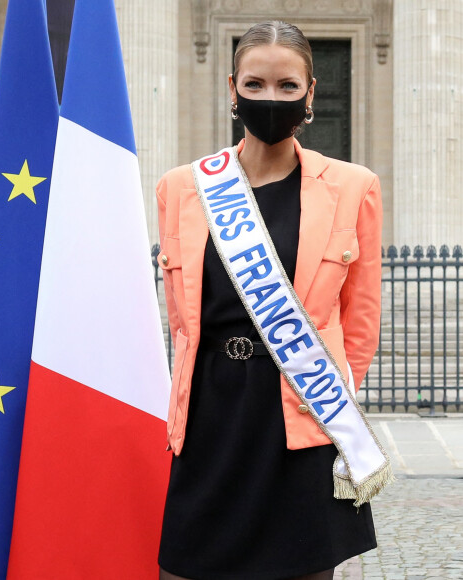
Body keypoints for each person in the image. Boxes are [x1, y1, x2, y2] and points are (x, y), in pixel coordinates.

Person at [155, 20, 390, 580]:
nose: (271, 98)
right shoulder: (181, 188)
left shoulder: (354, 187)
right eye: (255, 84)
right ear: (232, 90)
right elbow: (182, 317)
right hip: (212, 410)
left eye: (288, 86)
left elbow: (361, 318)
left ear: (311, 94)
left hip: (302, 412)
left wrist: (330, 397)